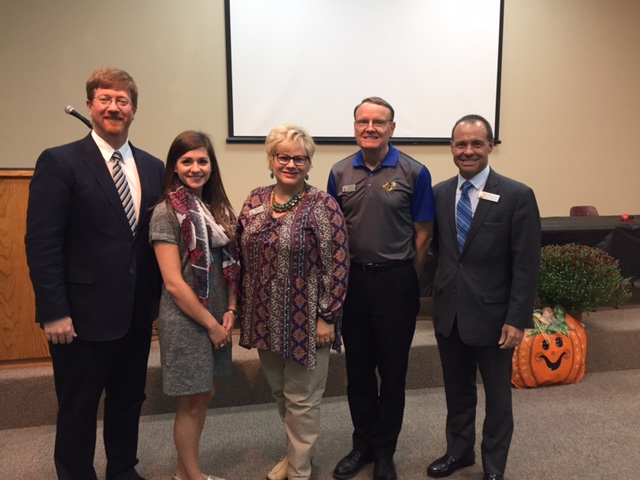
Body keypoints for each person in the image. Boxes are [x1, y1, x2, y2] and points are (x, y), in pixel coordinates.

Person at [25, 68, 164, 480]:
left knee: (127, 401)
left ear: (133, 110)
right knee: (78, 408)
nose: (113, 107)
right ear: (90, 106)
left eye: (122, 101)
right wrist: (53, 311)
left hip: (136, 315)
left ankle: (122, 469)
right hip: (79, 318)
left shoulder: (153, 167)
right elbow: (42, 242)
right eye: (104, 99)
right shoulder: (60, 161)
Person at [427, 114, 541, 480]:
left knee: (497, 400)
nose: (468, 151)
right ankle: (458, 453)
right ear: (451, 148)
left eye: (477, 143)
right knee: (457, 394)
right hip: (451, 315)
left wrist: (518, 317)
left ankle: (494, 467)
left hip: (496, 320)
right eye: (461, 144)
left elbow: (526, 263)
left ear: (491, 146)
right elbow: (440, 254)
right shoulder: (440, 193)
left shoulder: (517, 195)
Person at [327, 97, 435, 480]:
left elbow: (423, 233)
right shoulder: (338, 173)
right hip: (353, 284)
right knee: (357, 372)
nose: (369, 127)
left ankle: (385, 451)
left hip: (396, 283)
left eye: (378, 121)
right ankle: (363, 446)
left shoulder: (414, 172)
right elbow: (333, 234)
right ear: (354, 126)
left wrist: (404, 274)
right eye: (362, 121)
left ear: (392, 127)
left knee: (393, 372)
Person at [237, 124, 349, 480]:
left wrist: (327, 317)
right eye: (283, 156)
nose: (290, 163)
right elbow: (241, 251)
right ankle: (296, 454)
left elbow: (338, 263)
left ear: (309, 163)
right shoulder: (255, 199)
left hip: (306, 319)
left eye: (299, 158)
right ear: (271, 160)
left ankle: (299, 471)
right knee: (281, 394)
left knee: (302, 399)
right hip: (264, 315)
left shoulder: (322, 205)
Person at [149, 131, 239, 480]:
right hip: (187, 320)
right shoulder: (165, 213)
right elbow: (173, 283)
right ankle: (194, 476)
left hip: (216, 315)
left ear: (212, 166)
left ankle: (183, 473)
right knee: (191, 399)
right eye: (187, 161)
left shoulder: (217, 210)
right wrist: (212, 325)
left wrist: (230, 311)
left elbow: (231, 265)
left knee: (206, 392)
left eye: (203, 160)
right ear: (174, 166)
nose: (196, 167)